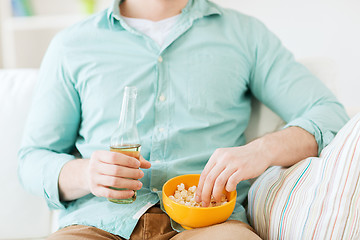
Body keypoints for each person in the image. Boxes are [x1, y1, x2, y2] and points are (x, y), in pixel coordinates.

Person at [18, 0, 349, 239]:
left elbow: (329, 113)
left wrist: (261, 151)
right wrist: (85, 173)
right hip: (96, 226)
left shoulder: (245, 35)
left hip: (212, 227)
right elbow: (32, 159)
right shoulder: (71, 45)